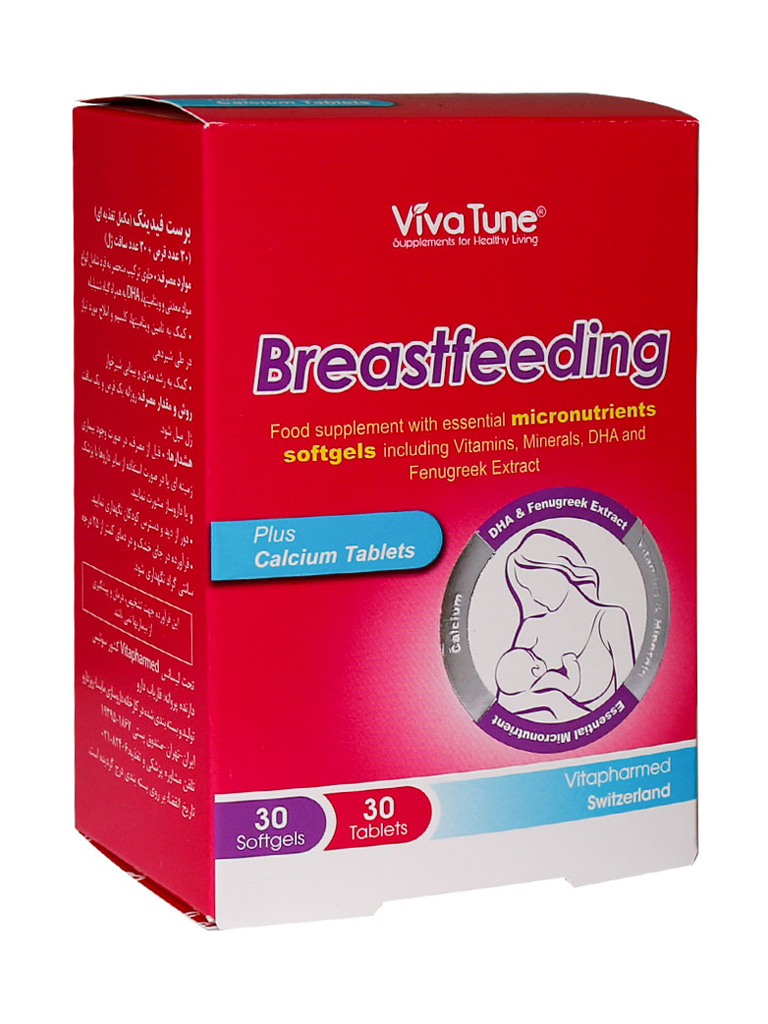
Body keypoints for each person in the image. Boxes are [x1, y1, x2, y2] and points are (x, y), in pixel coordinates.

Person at [494, 529, 635, 723]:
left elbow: (630, 702)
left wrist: (557, 702)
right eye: (528, 588)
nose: (534, 595)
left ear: (561, 569)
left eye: (537, 583)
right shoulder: (531, 628)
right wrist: (551, 701)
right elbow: (506, 704)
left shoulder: (610, 619)